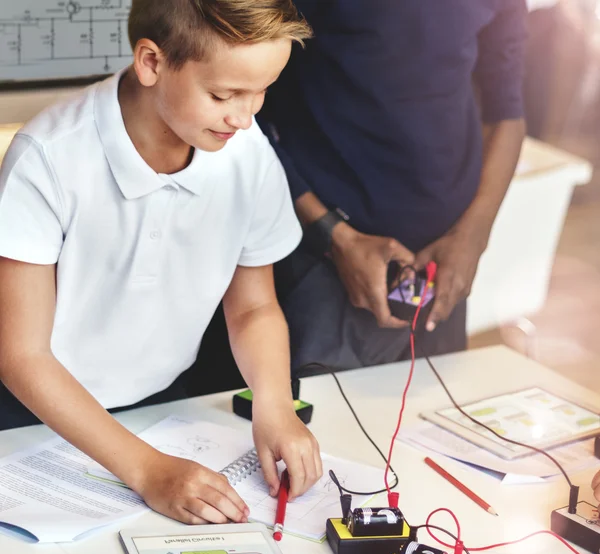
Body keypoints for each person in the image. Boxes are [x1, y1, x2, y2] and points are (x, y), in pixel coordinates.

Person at [0, 0, 322, 526]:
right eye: (223, 94)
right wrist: (147, 472)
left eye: (261, 91)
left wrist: (275, 405)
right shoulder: (50, 156)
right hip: (35, 420)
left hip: (163, 410)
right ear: (152, 63)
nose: (244, 116)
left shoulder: (247, 153)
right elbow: (22, 355)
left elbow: (254, 308)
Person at [258, 0, 527, 374]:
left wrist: (472, 235)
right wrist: (335, 237)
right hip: (323, 264)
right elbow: (247, 114)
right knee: (316, 427)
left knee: (428, 426)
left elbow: (507, 115)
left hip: (442, 271)